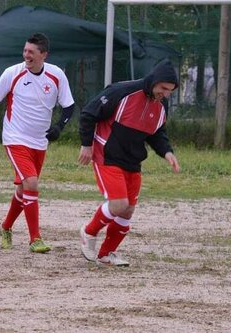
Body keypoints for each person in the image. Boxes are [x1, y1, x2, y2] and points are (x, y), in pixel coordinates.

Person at [0, 33, 76, 253]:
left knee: (25, 190)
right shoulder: (12, 73)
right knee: (31, 183)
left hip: (39, 142)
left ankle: (5, 227)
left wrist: (59, 126)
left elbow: (69, 106)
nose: (26, 55)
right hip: (15, 138)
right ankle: (35, 239)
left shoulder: (56, 75)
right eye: (25, 51)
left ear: (44, 54)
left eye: (31, 52)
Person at [78, 59, 180, 267]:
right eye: (163, 88)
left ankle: (106, 254)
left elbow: (156, 132)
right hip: (107, 154)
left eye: (170, 91)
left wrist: (167, 152)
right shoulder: (122, 91)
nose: (166, 94)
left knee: (127, 211)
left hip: (132, 159)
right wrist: (86, 144)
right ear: (154, 81)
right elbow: (89, 113)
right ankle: (88, 232)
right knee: (119, 204)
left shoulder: (162, 104)